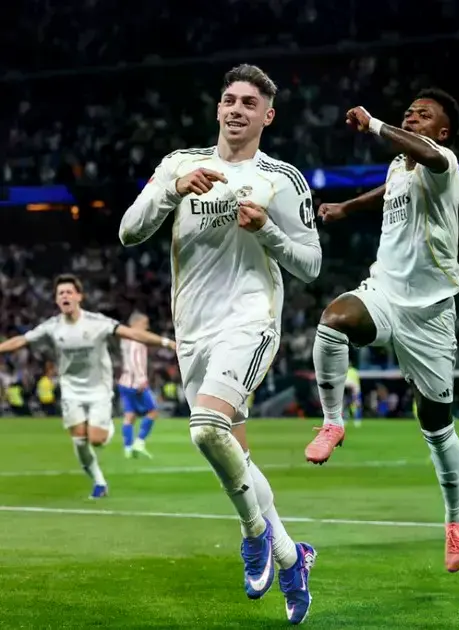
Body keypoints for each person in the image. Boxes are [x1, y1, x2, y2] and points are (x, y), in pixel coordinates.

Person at [117, 64, 321, 625]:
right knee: (234, 452)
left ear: (267, 115)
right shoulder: (179, 165)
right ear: (218, 108)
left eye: (249, 103)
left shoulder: (282, 178)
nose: (236, 109)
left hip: (250, 321)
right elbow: (129, 230)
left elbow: (311, 263)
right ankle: (290, 556)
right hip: (193, 330)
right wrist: (172, 191)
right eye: (229, 99)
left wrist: (267, 232)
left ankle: (254, 533)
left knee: (207, 427)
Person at [306, 88, 459, 572]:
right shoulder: (400, 166)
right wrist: (346, 209)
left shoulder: (445, 163)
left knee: (437, 427)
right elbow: (388, 191)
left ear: (442, 133)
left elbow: (420, 153)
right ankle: (334, 421)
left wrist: (378, 124)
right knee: (333, 322)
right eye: (409, 112)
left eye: (424, 115)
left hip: (431, 312)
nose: (412, 117)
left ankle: (456, 516)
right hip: (384, 293)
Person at [0, 275, 174, 498]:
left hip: (99, 389)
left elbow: (133, 334)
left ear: (79, 296)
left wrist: (167, 342)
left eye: (69, 292)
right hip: (71, 389)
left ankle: (108, 426)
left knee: (97, 439)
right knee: (79, 440)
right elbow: (21, 340)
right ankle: (99, 483)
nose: (65, 296)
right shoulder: (52, 327)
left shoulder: (97, 322)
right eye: (60, 293)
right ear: (56, 300)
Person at [118, 313, 160, 459]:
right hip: (136, 383)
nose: (147, 327)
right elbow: (135, 359)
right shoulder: (137, 339)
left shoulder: (125, 339)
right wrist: (142, 379)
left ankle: (128, 448)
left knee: (129, 415)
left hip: (124, 381)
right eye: (144, 323)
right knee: (153, 412)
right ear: (135, 324)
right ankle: (139, 442)